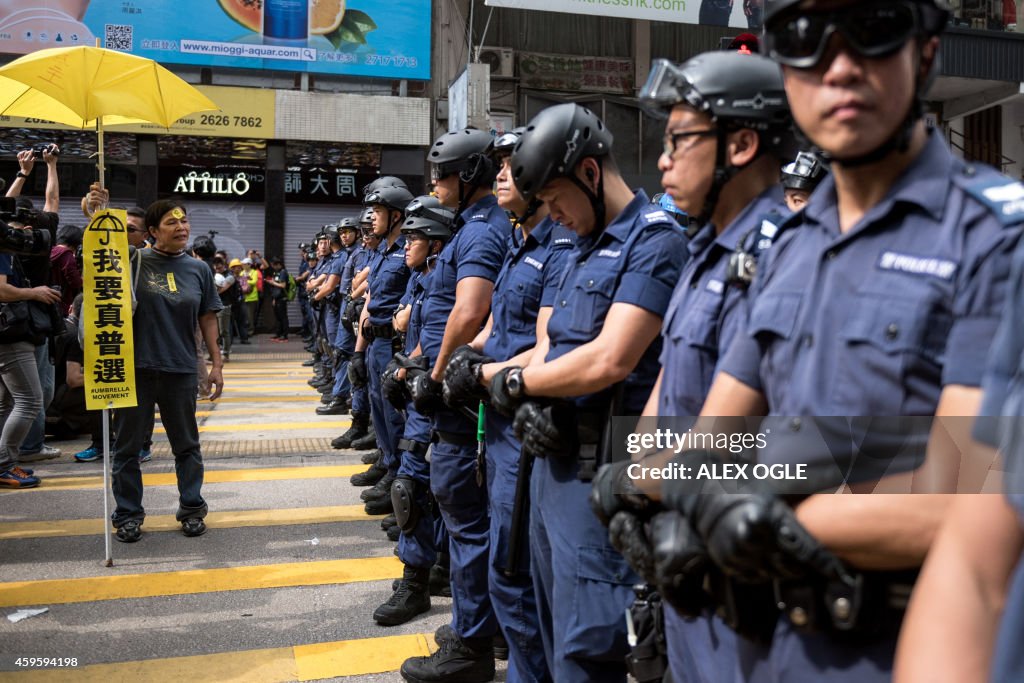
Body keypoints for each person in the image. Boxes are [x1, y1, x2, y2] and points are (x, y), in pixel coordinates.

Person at [601, 2, 1022, 682]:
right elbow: (717, 438)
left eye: (874, 28)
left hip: (906, 647)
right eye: (806, 39)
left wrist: (770, 510)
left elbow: (977, 492)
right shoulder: (790, 248)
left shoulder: (994, 237)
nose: (843, 66)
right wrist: (639, 483)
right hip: (768, 644)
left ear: (926, 52)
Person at [592, 50, 793, 683]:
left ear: (740, 144)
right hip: (681, 545)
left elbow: (731, 438)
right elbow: (664, 391)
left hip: (739, 563)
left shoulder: (779, 255)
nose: (662, 159)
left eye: (680, 140)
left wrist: (630, 484)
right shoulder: (704, 247)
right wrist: (638, 474)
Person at [484, 103, 686, 683]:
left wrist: (515, 382)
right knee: (548, 631)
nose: (552, 215)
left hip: (602, 472)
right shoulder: (578, 244)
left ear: (590, 176)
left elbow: (609, 358)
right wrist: (534, 398)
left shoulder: (654, 242)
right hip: (552, 465)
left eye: (553, 200)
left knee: (588, 650)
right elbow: (554, 345)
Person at [442, 127, 575, 682]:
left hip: (524, 420)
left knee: (517, 576)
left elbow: (551, 344)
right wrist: (463, 359)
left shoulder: (561, 248)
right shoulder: (520, 244)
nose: (501, 175)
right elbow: (496, 322)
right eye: (496, 164)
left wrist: (485, 370)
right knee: (505, 566)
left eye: (511, 164)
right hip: (495, 420)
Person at [399, 128, 510, 683]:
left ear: (467, 178)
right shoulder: (471, 226)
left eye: (441, 175)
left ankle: (472, 646)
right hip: (458, 394)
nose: (434, 184)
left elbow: (469, 313)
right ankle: (475, 624)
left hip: (465, 405)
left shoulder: (483, 232)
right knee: (460, 517)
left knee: (468, 524)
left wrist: (438, 375)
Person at [110, 200, 224, 543]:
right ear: (153, 231)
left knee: (187, 445)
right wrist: (98, 211)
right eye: (171, 222)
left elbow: (207, 317)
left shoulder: (198, 269)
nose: (181, 227)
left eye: (184, 221)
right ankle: (128, 514)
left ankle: (191, 509)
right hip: (137, 369)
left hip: (180, 370)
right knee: (127, 448)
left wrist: (215, 364)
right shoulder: (134, 261)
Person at [373, 204, 454, 626]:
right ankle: (421, 574)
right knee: (415, 486)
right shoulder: (425, 279)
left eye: (414, 240)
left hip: (441, 394)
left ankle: (420, 580)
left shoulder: (448, 279)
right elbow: (422, 335)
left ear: (436, 245)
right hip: (421, 390)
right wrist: (403, 363)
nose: (406, 247)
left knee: (419, 488)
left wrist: (413, 366)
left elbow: (446, 338)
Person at [350, 182, 414, 507]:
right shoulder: (382, 252)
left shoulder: (409, 251)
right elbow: (369, 300)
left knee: (394, 416)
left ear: (396, 215)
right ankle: (389, 465)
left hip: (393, 345)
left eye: (377, 211)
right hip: (374, 343)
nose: (371, 218)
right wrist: (358, 352)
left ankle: (399, 478)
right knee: (378, 411)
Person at [0, 222, 63, 488]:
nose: (22, 236)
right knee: (29, 400)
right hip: (11, 335)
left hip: (7, 334)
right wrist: (34, 293)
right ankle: (4, 465)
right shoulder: (2, 250)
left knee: (7, 403)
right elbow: (1, 290)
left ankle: (5, 462)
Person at [50, 223, 83, 316]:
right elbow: (75, 282)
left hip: (49, 299)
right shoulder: (66, 254)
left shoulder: (50, 250)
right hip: (62, 304)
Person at [212, 256, 238, 359]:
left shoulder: (230, 276)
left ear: (224, 265)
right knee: (215, 331)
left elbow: (222, 289)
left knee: (224, 331)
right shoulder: (214, 274)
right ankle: (214, 354)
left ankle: (226, 353)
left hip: (224, 306)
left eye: (219, 267)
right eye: (216, 267)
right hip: (215, 305)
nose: (217, 269)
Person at [266, 256, 290, 342]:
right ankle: (278, 334)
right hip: (276, 297)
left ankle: (285, 335)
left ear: (278, 264)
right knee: (278, 317)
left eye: (273, 265)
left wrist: (273, 282)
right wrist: (274, 299)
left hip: (282, 298)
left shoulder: (283, 272)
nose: (272, 267)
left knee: (283, 317)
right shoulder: (276, 272)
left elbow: (283, 285)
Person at [240, 257, 260, 338]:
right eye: (243, 264)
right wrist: (246, 280)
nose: (243, 265)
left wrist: (245, 280)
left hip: (252, 297)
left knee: (250, 315)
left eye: (245, 264)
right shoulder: (242, 272)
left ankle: (250, 330)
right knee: (244, 316)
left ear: (249, 265)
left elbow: (254, 281)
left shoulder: (254, 272)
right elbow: (239, 281)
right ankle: (245, 330)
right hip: (243, 296)